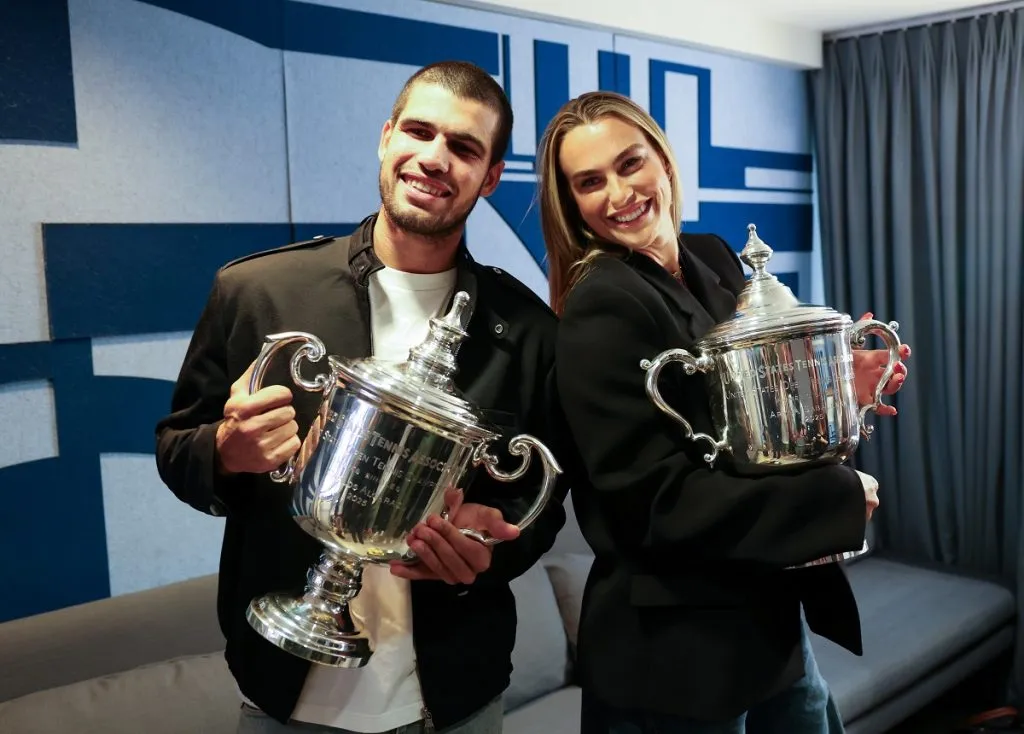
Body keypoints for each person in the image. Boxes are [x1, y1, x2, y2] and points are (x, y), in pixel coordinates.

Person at [155, 61, 578, 734]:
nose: (434, 158)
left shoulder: (530, 334)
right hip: (283, 694)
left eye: (465, 148)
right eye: (419, 130)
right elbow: (177, 449)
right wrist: (225, 452)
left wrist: (486, 556)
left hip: (456, 697)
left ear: (490, 177)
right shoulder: (258, 291)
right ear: (386, 137)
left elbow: (543, 508)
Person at [535, 90, 911, 733]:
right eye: (589, 182)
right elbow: (658, 504)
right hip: (674, 661)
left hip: (767, 619)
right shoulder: (603, 304)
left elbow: (749, 424)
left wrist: (830, 390)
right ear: (571, 204)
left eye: (630, 164)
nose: (619, 194)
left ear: (663, 159)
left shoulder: (710, 257)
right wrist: (837, 498)